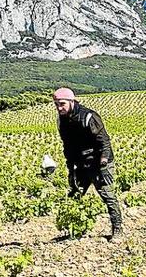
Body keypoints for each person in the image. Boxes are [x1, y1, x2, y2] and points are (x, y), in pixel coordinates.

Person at [53, 87, 124, 239]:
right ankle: (75, 230)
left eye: (62, 104)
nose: (59, 108)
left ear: (72, 101)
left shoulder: (89, 117)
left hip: (99, 161)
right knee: (74, 195)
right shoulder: (62, 121)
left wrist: (104, 164)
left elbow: (104, 141)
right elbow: (67, 145)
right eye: (56, 104)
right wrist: (71, 169)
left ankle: (117, 229)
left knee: (107, 194)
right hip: (81, 162)